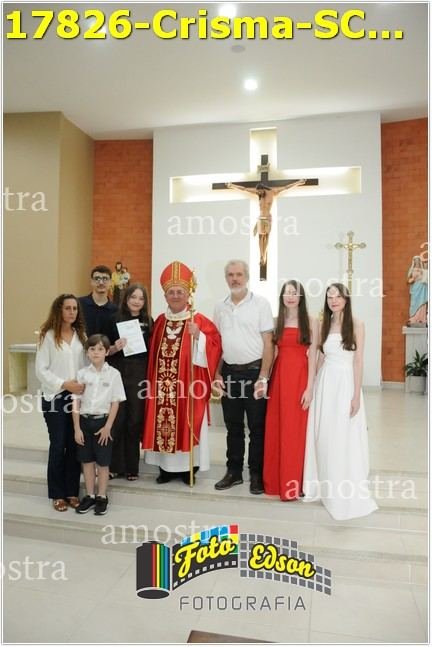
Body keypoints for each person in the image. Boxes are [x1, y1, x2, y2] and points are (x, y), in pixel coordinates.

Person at [302, 283, 378, 520]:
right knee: (324, 435)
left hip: (345, 384)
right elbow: (318, 358)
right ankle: (325, 483)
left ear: (346, 299)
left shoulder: (357, 324)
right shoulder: (322, 324)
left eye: (337, 296)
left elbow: (358, 361)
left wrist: (356, 395)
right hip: (326, 384)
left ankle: (343, 485)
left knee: (343, 434)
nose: (333, 300)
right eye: (329, 297)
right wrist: (311, 387)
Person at [142, 261, 221, 485]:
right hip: (162, 389)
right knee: (163, 424)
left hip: (189, 387)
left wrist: (200, 337)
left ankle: (189, 469)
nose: (176, 296)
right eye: (171, 292)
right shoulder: (160, 321)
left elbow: (216, 346)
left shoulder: (199, 320)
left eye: (180, 292)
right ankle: (166, 469)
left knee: (187, 422)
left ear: (188, 294)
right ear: (165, 296)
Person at [213, 260, 274, 494]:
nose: (235, 279)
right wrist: (217, 373)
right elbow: (218, 344)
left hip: (254, 372)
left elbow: (268, 343)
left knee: (257, 427)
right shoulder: (220, 306)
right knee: (233, 426)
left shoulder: (261, 304)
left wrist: (263, 377)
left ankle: (256, 474)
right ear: (226, 278)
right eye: (230, 275)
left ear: (246, 277)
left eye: (239, 274)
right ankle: (234, 472)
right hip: (229, 373)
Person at [263, 280, 318, 501]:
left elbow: (313, 357)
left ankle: (295, 483)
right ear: (282, 297)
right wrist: (264, 380)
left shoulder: (311, 321)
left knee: (295, 431)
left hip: (299, 379)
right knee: (278, 428)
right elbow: (274, 353)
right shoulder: (276, 321)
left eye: (295, 293)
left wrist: (310, 387)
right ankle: (276, 482)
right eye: (287, 293)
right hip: (279, 380)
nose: (291, 297)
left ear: (301, 297)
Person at [35, 294, 87, 512]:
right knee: (58, 444)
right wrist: (65, 384)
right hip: (54, 397)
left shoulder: (81, 336)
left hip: (77, 398)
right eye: (67, 308)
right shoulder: (48, 336)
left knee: (75, 445)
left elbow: (87, 365)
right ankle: (57, 494)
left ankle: (72, 492)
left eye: (75, 308)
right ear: (59, 310)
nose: (72, 312)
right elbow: (41, 370)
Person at [72, 334, 126, 515]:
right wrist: (77, 428)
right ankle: (90, 495)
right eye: (92, 349)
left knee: (103, 463)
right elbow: (76, 402)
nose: (96, 352)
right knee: (87, 461)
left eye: (100, 349)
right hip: (84, 422)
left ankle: (102, 496)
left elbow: (115, 402)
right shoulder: (82, 374)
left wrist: (108, 427)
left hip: (103, 423)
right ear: (87, 352)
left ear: (107, 352)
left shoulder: (114, 374)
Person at [105, 283, 153, 481]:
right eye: (133, 297)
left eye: (141, 298)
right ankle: (115, 466)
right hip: (118, 372)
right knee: (117, 419)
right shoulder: (114, 319)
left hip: (139, 374)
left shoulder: (148, 321)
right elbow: (104, 350)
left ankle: (132, 467)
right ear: (126, 298)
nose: (137, 301)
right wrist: (114, 347)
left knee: (135, 420)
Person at [226, 180, 306, 271]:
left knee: (266, 237)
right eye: (258, 192)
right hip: (261, 218)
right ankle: (261, 256)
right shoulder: (258, 193)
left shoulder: (272, 192)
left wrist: (298, 183)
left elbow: (286, 187)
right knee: (260, 237)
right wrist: (232, 185)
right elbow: (244, 189)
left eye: (260, 192)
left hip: (268, 218)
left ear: (263, 189)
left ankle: (264, 255)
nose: (259, 194)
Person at [79, 265, 118, 337]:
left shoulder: (116, 311)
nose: (101, 282)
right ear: (91, 281)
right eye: (97, 278)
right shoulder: (79, 304)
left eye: (105, 279)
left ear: (110, 282)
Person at [407, 255, 428, 325]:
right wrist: (413, 279)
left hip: (422, 288)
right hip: (415, 288)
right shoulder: (411, 269)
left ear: (420, 262)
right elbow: (408, 281)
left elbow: (426, 279)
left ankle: (421, 319)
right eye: (415, 261)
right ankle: (413, 319)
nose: (417, 262)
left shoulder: (423, 270)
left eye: (418, 261)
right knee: (414, 302)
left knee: (422, 302)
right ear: (414, 262)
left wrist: (423, 277)